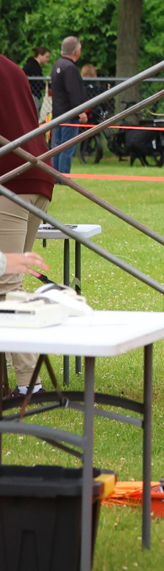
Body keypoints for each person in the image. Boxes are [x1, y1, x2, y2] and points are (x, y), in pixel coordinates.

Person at [0, 50, 54, 393]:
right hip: (36, 172)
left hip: (10, 177)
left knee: (6, 283)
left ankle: (28, 381)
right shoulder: (13, 68)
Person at [47, 36, 88, 177]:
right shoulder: (70, 68)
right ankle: (63, 176)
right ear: (76, 51)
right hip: (69, 114)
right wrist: (81, 112)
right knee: (67, 147)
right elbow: (73, 92)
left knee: (58, 146)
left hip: (58, 112)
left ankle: (55, 175)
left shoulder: (57, 65)